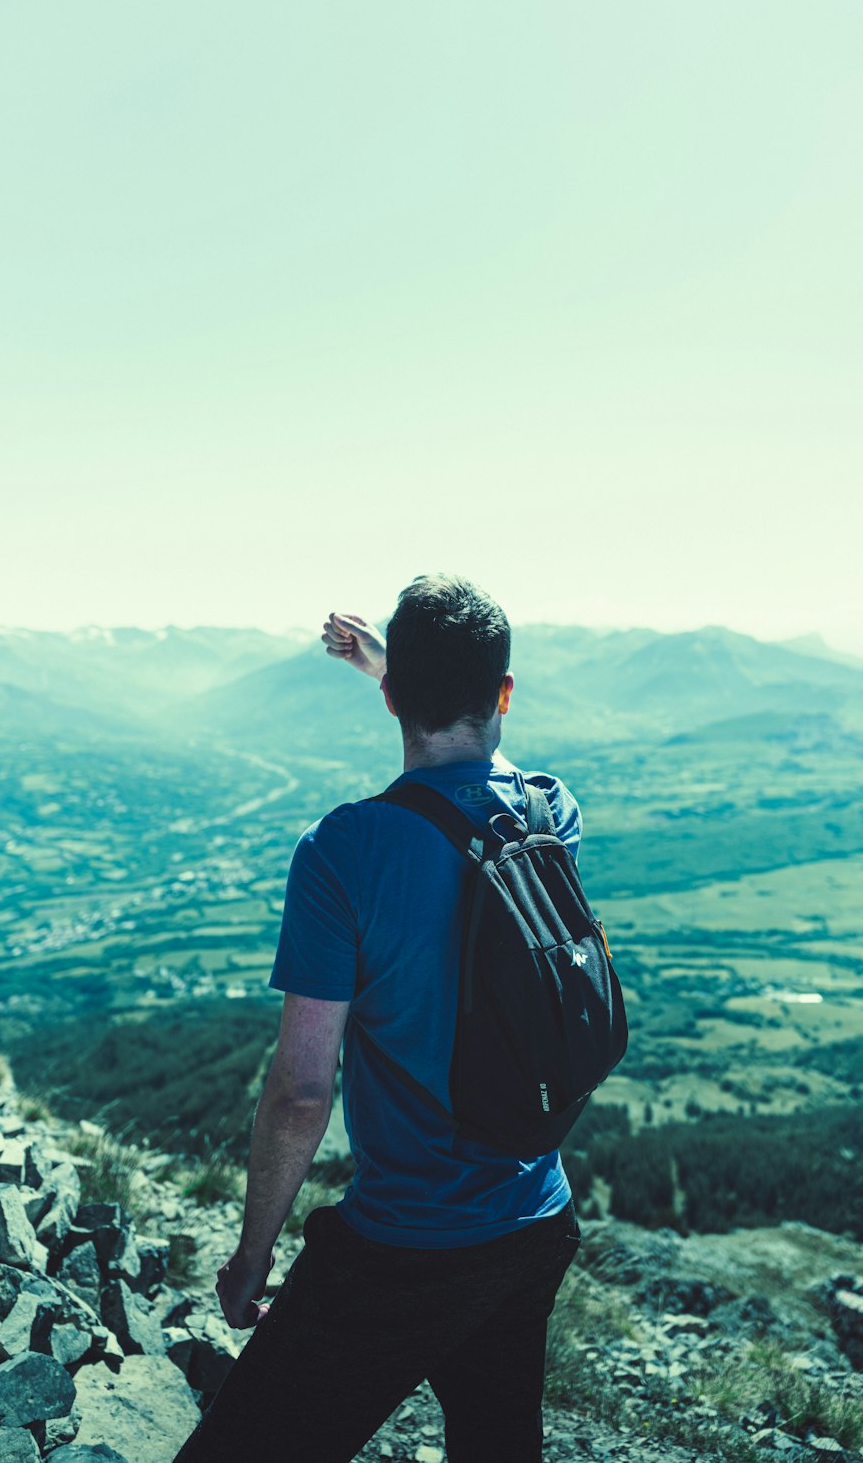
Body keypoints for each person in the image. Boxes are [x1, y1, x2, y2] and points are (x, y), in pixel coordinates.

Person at [173, 573, 583, 1463]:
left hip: (403, 1247)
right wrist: (402, 672)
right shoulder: (552, 814)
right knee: (496, 1443)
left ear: (392, 696)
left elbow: (300, 1093)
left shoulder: (343, 850)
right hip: (534, 1221)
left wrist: (251, 1259)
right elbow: (477, 768)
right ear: (506, 692)